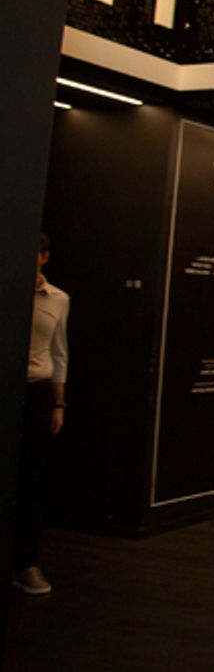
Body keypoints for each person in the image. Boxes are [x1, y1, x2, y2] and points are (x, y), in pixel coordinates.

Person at [13, 233, 70, 596]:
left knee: (30, 480)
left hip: (37, 392)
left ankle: (26, 563)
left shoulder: (58, 299)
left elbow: (60, 352)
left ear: (44, 257)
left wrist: (58, 403)